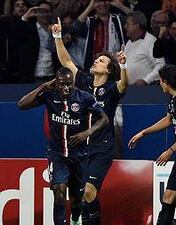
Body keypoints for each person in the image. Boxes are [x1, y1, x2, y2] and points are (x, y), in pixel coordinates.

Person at [52, 17, 128, 225]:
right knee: (83, 195)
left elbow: (124, 84)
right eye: (97, 59)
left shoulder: (112, 89)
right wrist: (58, 36)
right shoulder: (84, 81)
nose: (96, 61)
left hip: (102, 149)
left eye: (102, 61)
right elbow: (66, 61)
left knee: (88, 191)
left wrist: (124, 65)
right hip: (80, 149)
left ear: (109, 70)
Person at [17, 67, 109, 225]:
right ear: (56, 83)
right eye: (62, 84)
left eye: (69, 84)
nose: (66, 88)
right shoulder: (49, 95)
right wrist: (43, 87)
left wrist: (87, 133)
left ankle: (75, 219)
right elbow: (21, 104)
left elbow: (104, 119)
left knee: (76, 202)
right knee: (59, 191)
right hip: (57, 154)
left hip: (79, 156)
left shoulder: (85, 98)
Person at [128, 64, 176, 225]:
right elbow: (169, 119)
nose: (159, 84)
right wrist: (143, 133)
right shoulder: (173, 99)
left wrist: (171, 150)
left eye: (160, 80)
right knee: (168, 196)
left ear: (166, 81)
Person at [124, 11, 166, 85]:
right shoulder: (129, 43)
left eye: (128, 24)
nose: (125, 26)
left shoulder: (151, 41)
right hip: (129, 90)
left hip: (146, 90)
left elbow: (161, 65)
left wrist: (146, 80)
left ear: (136, 25)